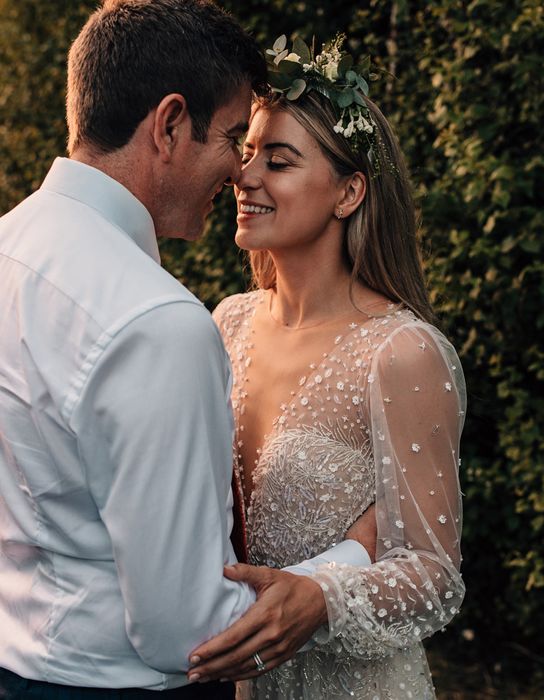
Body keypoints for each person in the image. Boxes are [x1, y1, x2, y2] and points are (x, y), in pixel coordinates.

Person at [0, 5, 372, 699]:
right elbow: (191, 634)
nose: (239, 171)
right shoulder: (155, 321)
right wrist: (348, 565)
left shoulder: (8, 248)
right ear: (169, 125)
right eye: (234, 137)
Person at [187, 34, 467, 699]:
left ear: (349, 192)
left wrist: (321, 598)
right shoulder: (226, 321)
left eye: (278, 161)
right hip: (231, 680)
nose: (245, 177)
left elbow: (434, 573)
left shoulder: (401, 352)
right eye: (246, 153)